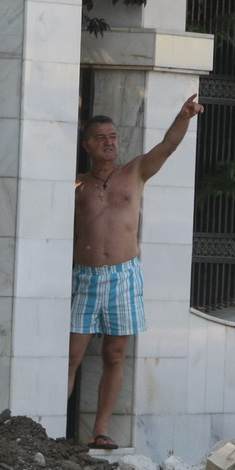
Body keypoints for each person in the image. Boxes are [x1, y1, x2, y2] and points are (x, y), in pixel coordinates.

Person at [69, 94, 204, 450]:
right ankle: (51, 429)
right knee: (71, 355)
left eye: (113, 136)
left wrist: (183, 115)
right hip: (84, 275)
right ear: (87, 145)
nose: (109, 143)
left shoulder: (135, 172)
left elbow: (168, 145)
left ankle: (100, 430)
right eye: (101, 138)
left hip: (124, 276)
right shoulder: (76, 183)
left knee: (115, 355)